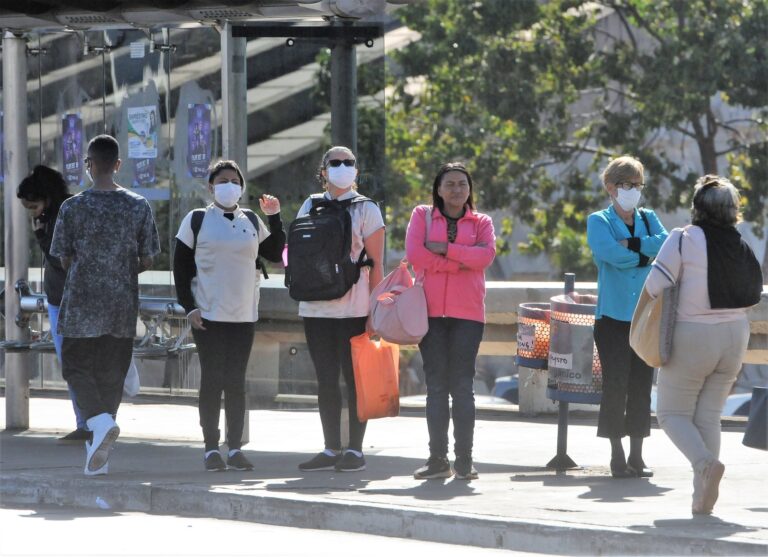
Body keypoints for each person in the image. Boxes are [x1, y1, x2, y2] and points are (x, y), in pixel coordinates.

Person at [647, 175, 762, 514]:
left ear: (697, 208)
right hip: (735, 336)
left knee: (670, 413)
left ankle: (703, 464)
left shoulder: (683, 239)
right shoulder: (740, 244)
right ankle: (701, 498)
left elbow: (656, 284)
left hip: (694, 336)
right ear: (733, 211)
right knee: (708, 416)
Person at [50, 134, 160, 476]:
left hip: (81, 305)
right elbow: (149, 259)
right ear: (117, 164)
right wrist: (120, 269)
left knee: (75, 368)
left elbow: (62, 257)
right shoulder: (138, 205)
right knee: (111, 377)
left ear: (89, 164)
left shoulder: (72, 207)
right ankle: (97, 458)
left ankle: (97, 424)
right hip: (121, 306)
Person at [173, 160, 285, 472]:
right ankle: (211, 447)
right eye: (223, 180)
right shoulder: (196, 219)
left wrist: (275, 217)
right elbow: (180, 267)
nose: (230, 185)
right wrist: (189, 306)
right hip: (208, 314)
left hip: (244, 314)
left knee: (236, 381)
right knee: (213, 379)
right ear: (211, 186)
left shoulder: (249, 218)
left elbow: (275, 253)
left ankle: (234, 448)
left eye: (235, 181)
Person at [296, 146, 385, 473]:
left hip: (355, 307)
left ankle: (355, 450)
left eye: (349, 163)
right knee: (325, 381)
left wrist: (377, 310)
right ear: (323, 171)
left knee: (355, 380)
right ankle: (331, 448)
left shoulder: (368, 209)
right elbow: (299, 251)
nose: (343, 167)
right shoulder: (310, 204)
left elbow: (376, 265)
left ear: (357, 172)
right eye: (335, 162)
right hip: (316, 307)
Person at [405, 162, 496, 480]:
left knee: (462, 386)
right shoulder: (422, 215)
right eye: (450, 184)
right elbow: (416, 254)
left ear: (470, 189)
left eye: (462, 184)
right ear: (438, 189)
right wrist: (460, 261)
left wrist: (445, 249)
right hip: (429, 313)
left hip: (468, 314)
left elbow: (485, 256)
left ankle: (465, 460)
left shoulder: (482, 221)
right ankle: (436, 459)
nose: (457, 189)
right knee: (436, 386)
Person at [586, 156, 668, 478]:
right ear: (610, 187)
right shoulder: (599, 221)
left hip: (644, 317)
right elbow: (610, 255)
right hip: (612, 318)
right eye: (625, 184)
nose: (632, 190)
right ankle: (616, 453)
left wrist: (633, 244)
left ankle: (637, 454)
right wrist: (642, 255)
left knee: (641, 386)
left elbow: (665, 244)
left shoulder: (648, 218)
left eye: (636, 185)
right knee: (616, 385)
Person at [17, 166, 84, 441]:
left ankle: (87, 422)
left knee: (73, 364)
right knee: (73, 363)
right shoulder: (61, 212)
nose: (31, 212)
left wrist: (42, 238)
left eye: (33, 206)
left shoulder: (60, 218)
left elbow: (62, 260)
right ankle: (87, 421)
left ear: (46, 198)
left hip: (66, 299)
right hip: (61, 298)